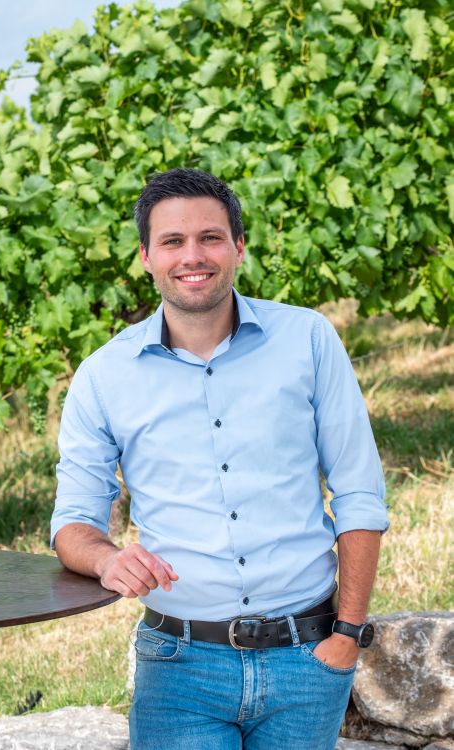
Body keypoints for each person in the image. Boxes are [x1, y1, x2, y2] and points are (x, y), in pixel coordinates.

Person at [51, 168, 389, 750]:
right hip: (179, 669)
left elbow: (359, 492)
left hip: (309, 659)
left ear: (238, 246)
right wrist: (106, 559)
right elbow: (73, 523)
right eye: (172, 241)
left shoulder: (308, 339)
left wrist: (347, 635)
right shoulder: (102, 377)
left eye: (210, 237)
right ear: (146, 256)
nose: (193, 256)